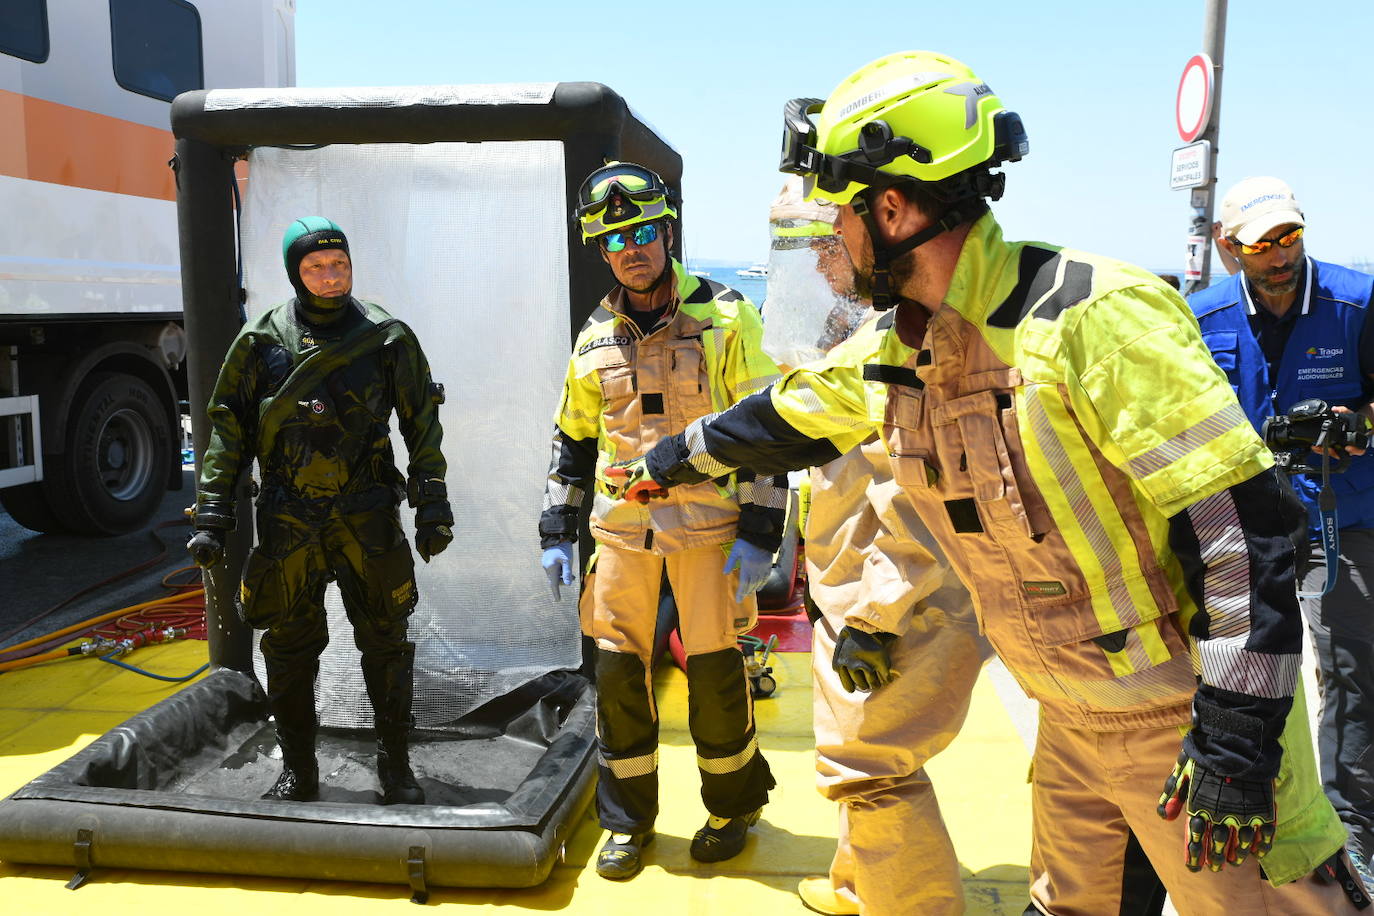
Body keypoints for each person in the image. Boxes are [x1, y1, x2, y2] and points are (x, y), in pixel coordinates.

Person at [607, 52, 1366, 912]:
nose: (829, 246)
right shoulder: (902, 348)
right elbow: (791, 413)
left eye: (838, 218)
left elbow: (1242, 527)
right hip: (1071, 721)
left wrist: (1234, 743)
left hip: (1183, 724)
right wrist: (668, 461)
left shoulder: (1092, 317)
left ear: (890, 209)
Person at [538, 162, 783, 880]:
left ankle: (733, 807)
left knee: (713, 674)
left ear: (667, 231)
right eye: (616, 238)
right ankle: (627, 824)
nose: (632, 247)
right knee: (616, 677)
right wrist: (558, 529)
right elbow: (573, 441)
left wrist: (762, 530)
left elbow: (767, 429)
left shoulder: (729, 316)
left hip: (709, 537)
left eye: (643, 231)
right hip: (621, 539)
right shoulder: (591, 341)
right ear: (602, 250)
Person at [766, 179, 994, 916]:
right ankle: (859, 882)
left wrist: (876, 614)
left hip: (893, 593)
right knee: (847, 743)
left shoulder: (894, 340)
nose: (819, 267)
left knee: (868, 766)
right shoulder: (843, 333)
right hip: (847, 578)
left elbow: (921, 502)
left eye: (824, 247)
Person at [187, 216, 452, 806]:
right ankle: (298, 770)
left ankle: (395, 766)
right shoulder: (261, 341)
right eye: (315, 267)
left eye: (339, 264)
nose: (330, 277)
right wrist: (211, 515)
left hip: (368, 514)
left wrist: (432, 502)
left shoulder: (387, 337)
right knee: (287, 647)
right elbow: (229, 432)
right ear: (295, 273)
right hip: (289, 519)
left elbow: (421, 421)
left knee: (386, 639)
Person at [1188, 176, 1374, 885]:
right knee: (1243, 671)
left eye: (1289, 236)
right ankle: (1252, 808)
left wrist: (1357, 426)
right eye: (1263, 243)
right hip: (1243, 526)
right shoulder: (1198, 317)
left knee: (1353, 672)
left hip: (1342, 516)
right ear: (1229, 249)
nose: (1280, 253)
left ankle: (1352, 833)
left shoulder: (1358, 302)